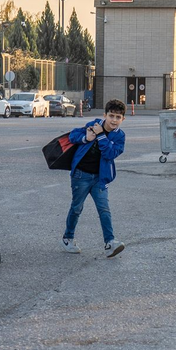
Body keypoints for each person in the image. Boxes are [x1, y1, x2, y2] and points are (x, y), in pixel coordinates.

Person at [60, 99, 127, 258]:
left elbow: (110, 153)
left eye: (118, 117)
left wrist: (101, 135)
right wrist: (86, 137)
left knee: (104, 209)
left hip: (100, 178)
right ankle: (67, 238)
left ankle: (110, 242)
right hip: (80, 175)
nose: (114, 120)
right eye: (111, 116)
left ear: (123, 119)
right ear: (105, 115)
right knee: (76, 208)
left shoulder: (120, 137)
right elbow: (73, 135)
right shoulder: (94, 124)